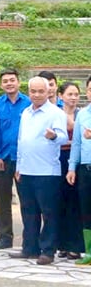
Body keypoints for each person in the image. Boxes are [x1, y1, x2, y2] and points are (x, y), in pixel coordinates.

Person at [10, 77, 68, 265]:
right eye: (33, 91)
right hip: (26, 170)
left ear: (48, 91)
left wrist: (53, 136)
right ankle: (30, 247)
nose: (36, 95)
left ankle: (48, 250)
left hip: (47, 171)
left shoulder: (55, 113)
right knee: (28, 212)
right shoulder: (26, 112)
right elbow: (21, 141)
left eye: (40, 91)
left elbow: (63, 137)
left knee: (48, 213)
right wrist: (19, 166)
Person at [0, 68, 30, 250]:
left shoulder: (28, 103)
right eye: (5, 81)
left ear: (18, 82)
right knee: (3, 200)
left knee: (27, 200)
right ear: (1, 84)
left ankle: (30, 238)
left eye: (12, 80)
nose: (9, 83)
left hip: (25, 159)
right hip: (4, 159)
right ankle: (5, 237)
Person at [65, 75, 91, 265]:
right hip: (84, 169)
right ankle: (89, 252)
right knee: (86, 210)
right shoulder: (83, 114)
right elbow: (76, 144)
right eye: (90, 89)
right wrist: (72, 167)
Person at [58, 82, 84, 259]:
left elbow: (80, 137)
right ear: (61, 96)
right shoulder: (55, 113)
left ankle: (75, 245)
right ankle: (62, 244)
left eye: (76, 94)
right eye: (69, 94)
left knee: (75, 204)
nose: (73, 97)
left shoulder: (82, 114)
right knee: (60, 203)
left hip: (75, 161)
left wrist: (72, 124)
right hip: (57, 160)